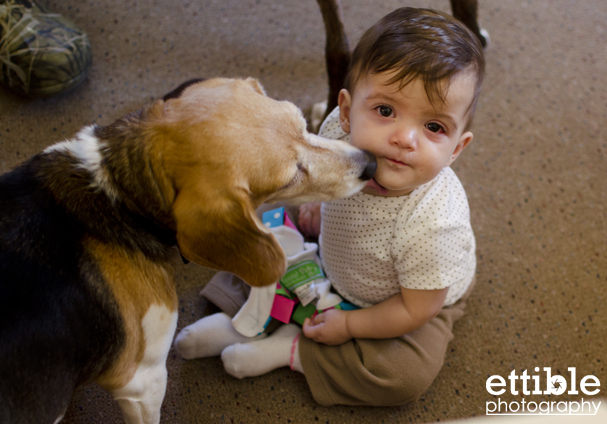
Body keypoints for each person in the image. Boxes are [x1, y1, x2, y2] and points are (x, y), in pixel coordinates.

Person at [175, 7, 485, 407]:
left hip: (399, 300)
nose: (406, 138)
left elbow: (416, 309)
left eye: (434, 127)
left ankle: (292, 350)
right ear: (345, 110)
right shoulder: (336, 135)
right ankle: (244, 318)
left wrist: (352, 324)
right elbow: (315, 178)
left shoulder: (437, 227)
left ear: (457, 148)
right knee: (260, 225)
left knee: (404, 375)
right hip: (335, 247)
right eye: (386, 111)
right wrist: (322, 200)